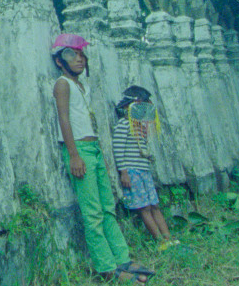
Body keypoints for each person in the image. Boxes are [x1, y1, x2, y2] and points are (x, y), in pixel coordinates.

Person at [51, 34, 153, 283]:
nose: (79, 59)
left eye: (82, 55)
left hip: (94, 149)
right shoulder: (62, 84)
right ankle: (107, 268)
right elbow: (64, 119)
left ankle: (123, 260)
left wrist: (101, 156)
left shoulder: (81, 86)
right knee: (93, 213)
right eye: (73, 54)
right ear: (59, 60)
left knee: (108, 208)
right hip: (80, 151)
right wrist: (74, 155)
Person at [113, 86, 177, 251]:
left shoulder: (139, 127)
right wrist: (124, 172)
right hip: (133, 172)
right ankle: (159, 241)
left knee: (155, 205)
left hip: (144, 171)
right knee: (145, 208)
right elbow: (118, 149)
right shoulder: (124, 124)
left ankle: (168, 238)